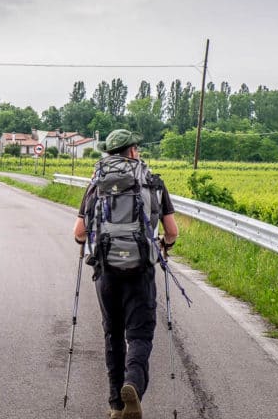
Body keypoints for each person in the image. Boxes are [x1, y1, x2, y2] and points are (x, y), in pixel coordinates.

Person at [72, 129, 178, 419]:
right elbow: (172, 232)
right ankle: (132, 384)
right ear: (132, 151)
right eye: (137, 148)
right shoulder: (153, 181)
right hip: (140, 271)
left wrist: (86, 242)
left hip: (106, 272)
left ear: (108, 152)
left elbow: (79, 232)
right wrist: (164, 245)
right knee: (140, 335)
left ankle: (115, 407)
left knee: (113, 335)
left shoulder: (97, 184)